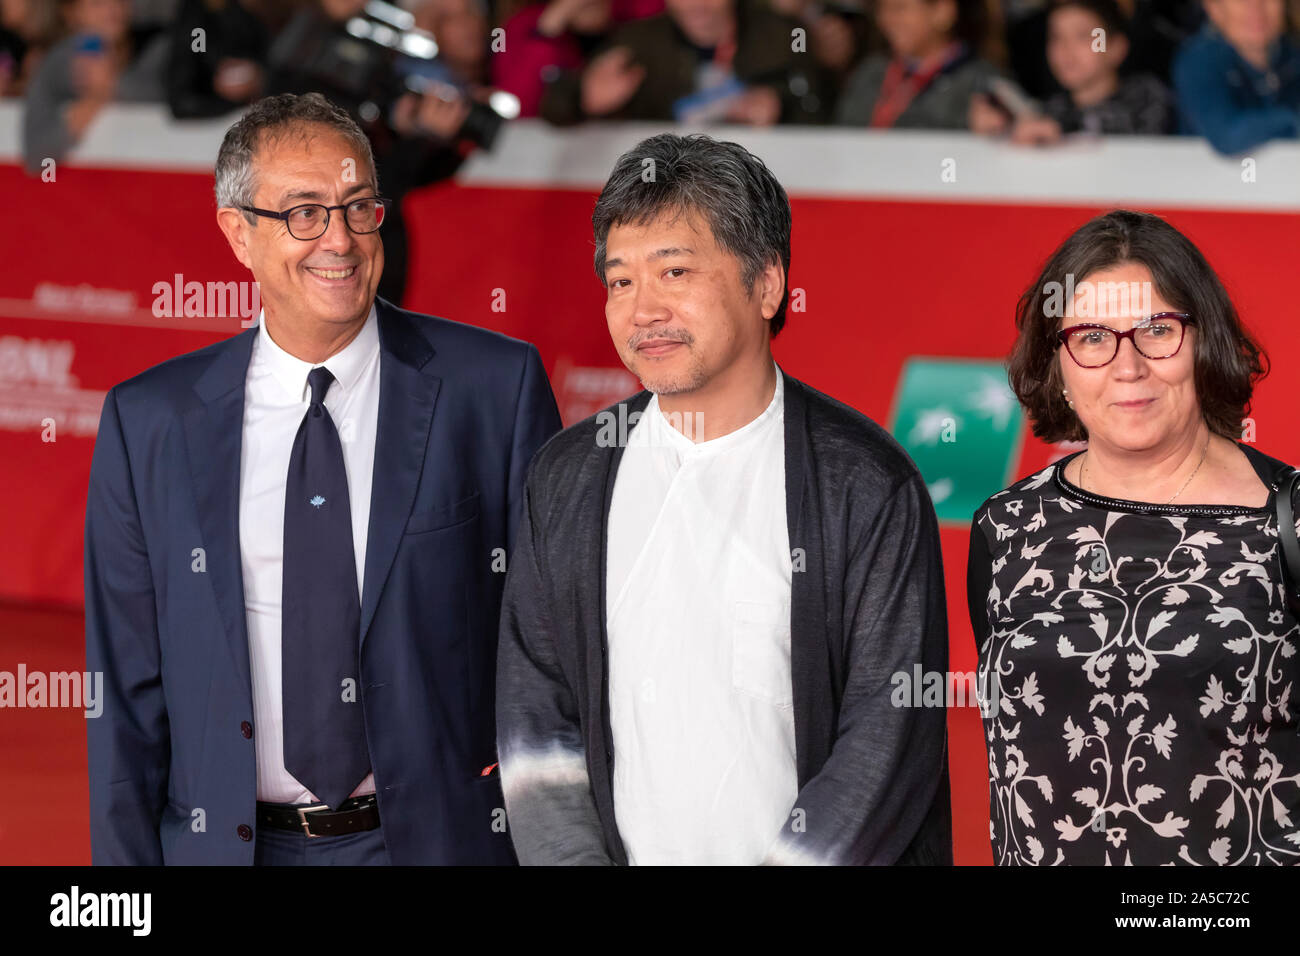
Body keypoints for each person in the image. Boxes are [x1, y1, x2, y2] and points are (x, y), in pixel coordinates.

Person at [85, 92, 562, 865]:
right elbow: (125, 694)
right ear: (238, 234)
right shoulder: (152, 421)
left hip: (440, 844)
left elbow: (555, 644)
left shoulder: (494, 389)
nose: (338, 239)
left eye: (357, 207)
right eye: (303, 212)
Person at [496, 132, 952, 866]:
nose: (643, 310)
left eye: (673, 271)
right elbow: (536, 715)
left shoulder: (864, 483)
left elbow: (888, 736)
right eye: (620, 282)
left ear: (767, 283)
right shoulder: (569, 476)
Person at [968, 209, 1300, 865]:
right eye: (1092, 337)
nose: (1128, 367)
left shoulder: (1286, 519)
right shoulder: (1007, 528)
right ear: (1057, 359)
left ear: (1204, 340)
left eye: (1156, 331)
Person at [539, 0, 832, 125]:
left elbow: (822, 107)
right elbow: (551, 106)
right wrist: (583, 100)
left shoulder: (782, 33)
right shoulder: (639, 40)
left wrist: (780, 106)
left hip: (758, 192)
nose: (696, 4)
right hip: (663, 194)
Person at [971, 0, 1173, 143]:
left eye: (1082, 36)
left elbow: (1123, 124)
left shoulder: (1147, 95)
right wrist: (1001, 126)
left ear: (1116, 48)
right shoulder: (1052, 107)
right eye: (1056, 37)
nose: (1066, 49)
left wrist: (1057, 129)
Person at [21, 0, 169, 173]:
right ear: (73, 13)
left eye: (120, 2)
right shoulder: (58, 63)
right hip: (81, 191)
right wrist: (82, 112)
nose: (113, 10)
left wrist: (111, 87)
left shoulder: (155, 46)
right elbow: (36, 157)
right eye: (98, 3)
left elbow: (173, 95)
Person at [834, 0, 999, 129]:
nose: (886, 20)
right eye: (881, 9)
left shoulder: (981, 82)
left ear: (942, 11)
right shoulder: (872, 70)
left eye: (900, 8)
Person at [1172, 0, 1300, 154]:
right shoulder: (1198, 62)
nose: (1256, 7)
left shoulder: (1292, 57)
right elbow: (1228, 135)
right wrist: (1291, 121)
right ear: (1213, 7)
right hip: (1213, 176)